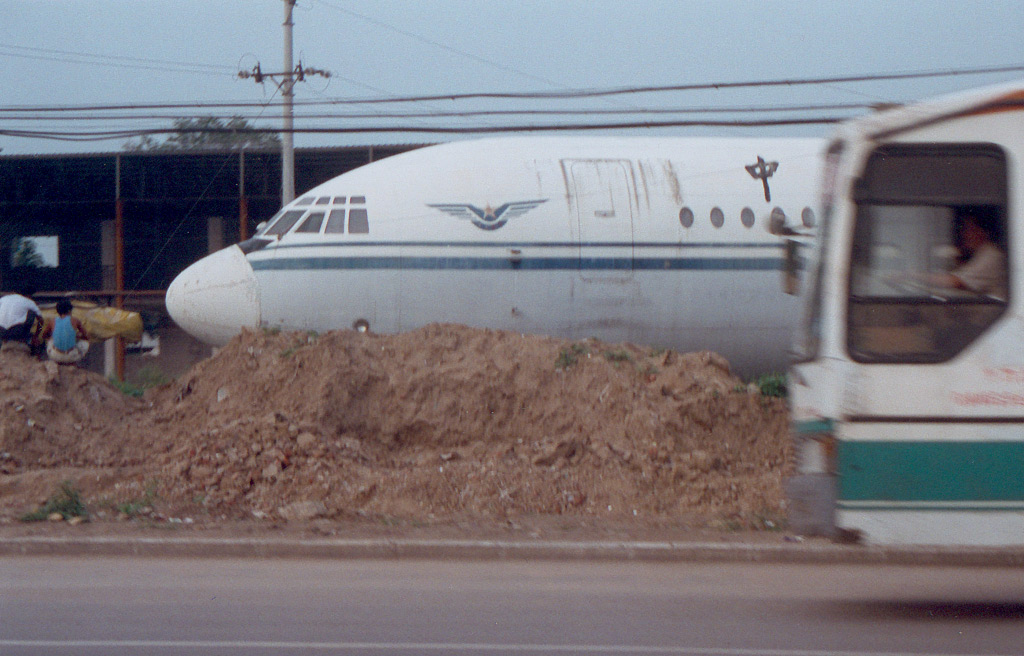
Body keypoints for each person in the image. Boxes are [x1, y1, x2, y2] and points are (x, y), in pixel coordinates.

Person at [932, 213, 1008, 300]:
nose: (965, 235)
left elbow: (956, 282)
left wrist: (916, 276)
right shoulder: (980, 253)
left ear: (983, 232)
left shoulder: (991, 255)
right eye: (965, 230)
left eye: (970, 230)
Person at [40, 299, 90, 364]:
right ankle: (72, 362)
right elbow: (87, 336)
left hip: (55, 356)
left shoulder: (52, 321)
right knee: (85, 343)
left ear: (57, 311)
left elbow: (44, 335)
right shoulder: (75, 320)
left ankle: (57, 360)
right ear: (69, 310)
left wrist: (53, 336)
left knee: (50, 340)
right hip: (71, 357)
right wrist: (77, 336)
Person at [0, 284, 42, 351]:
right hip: (17, 332)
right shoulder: (29, 302)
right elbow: (41, 320)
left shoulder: (3, 299)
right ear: (29, 295)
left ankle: (5, 341)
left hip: (1, 331)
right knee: (32, 313)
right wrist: (36, 335)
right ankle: (24, 340)